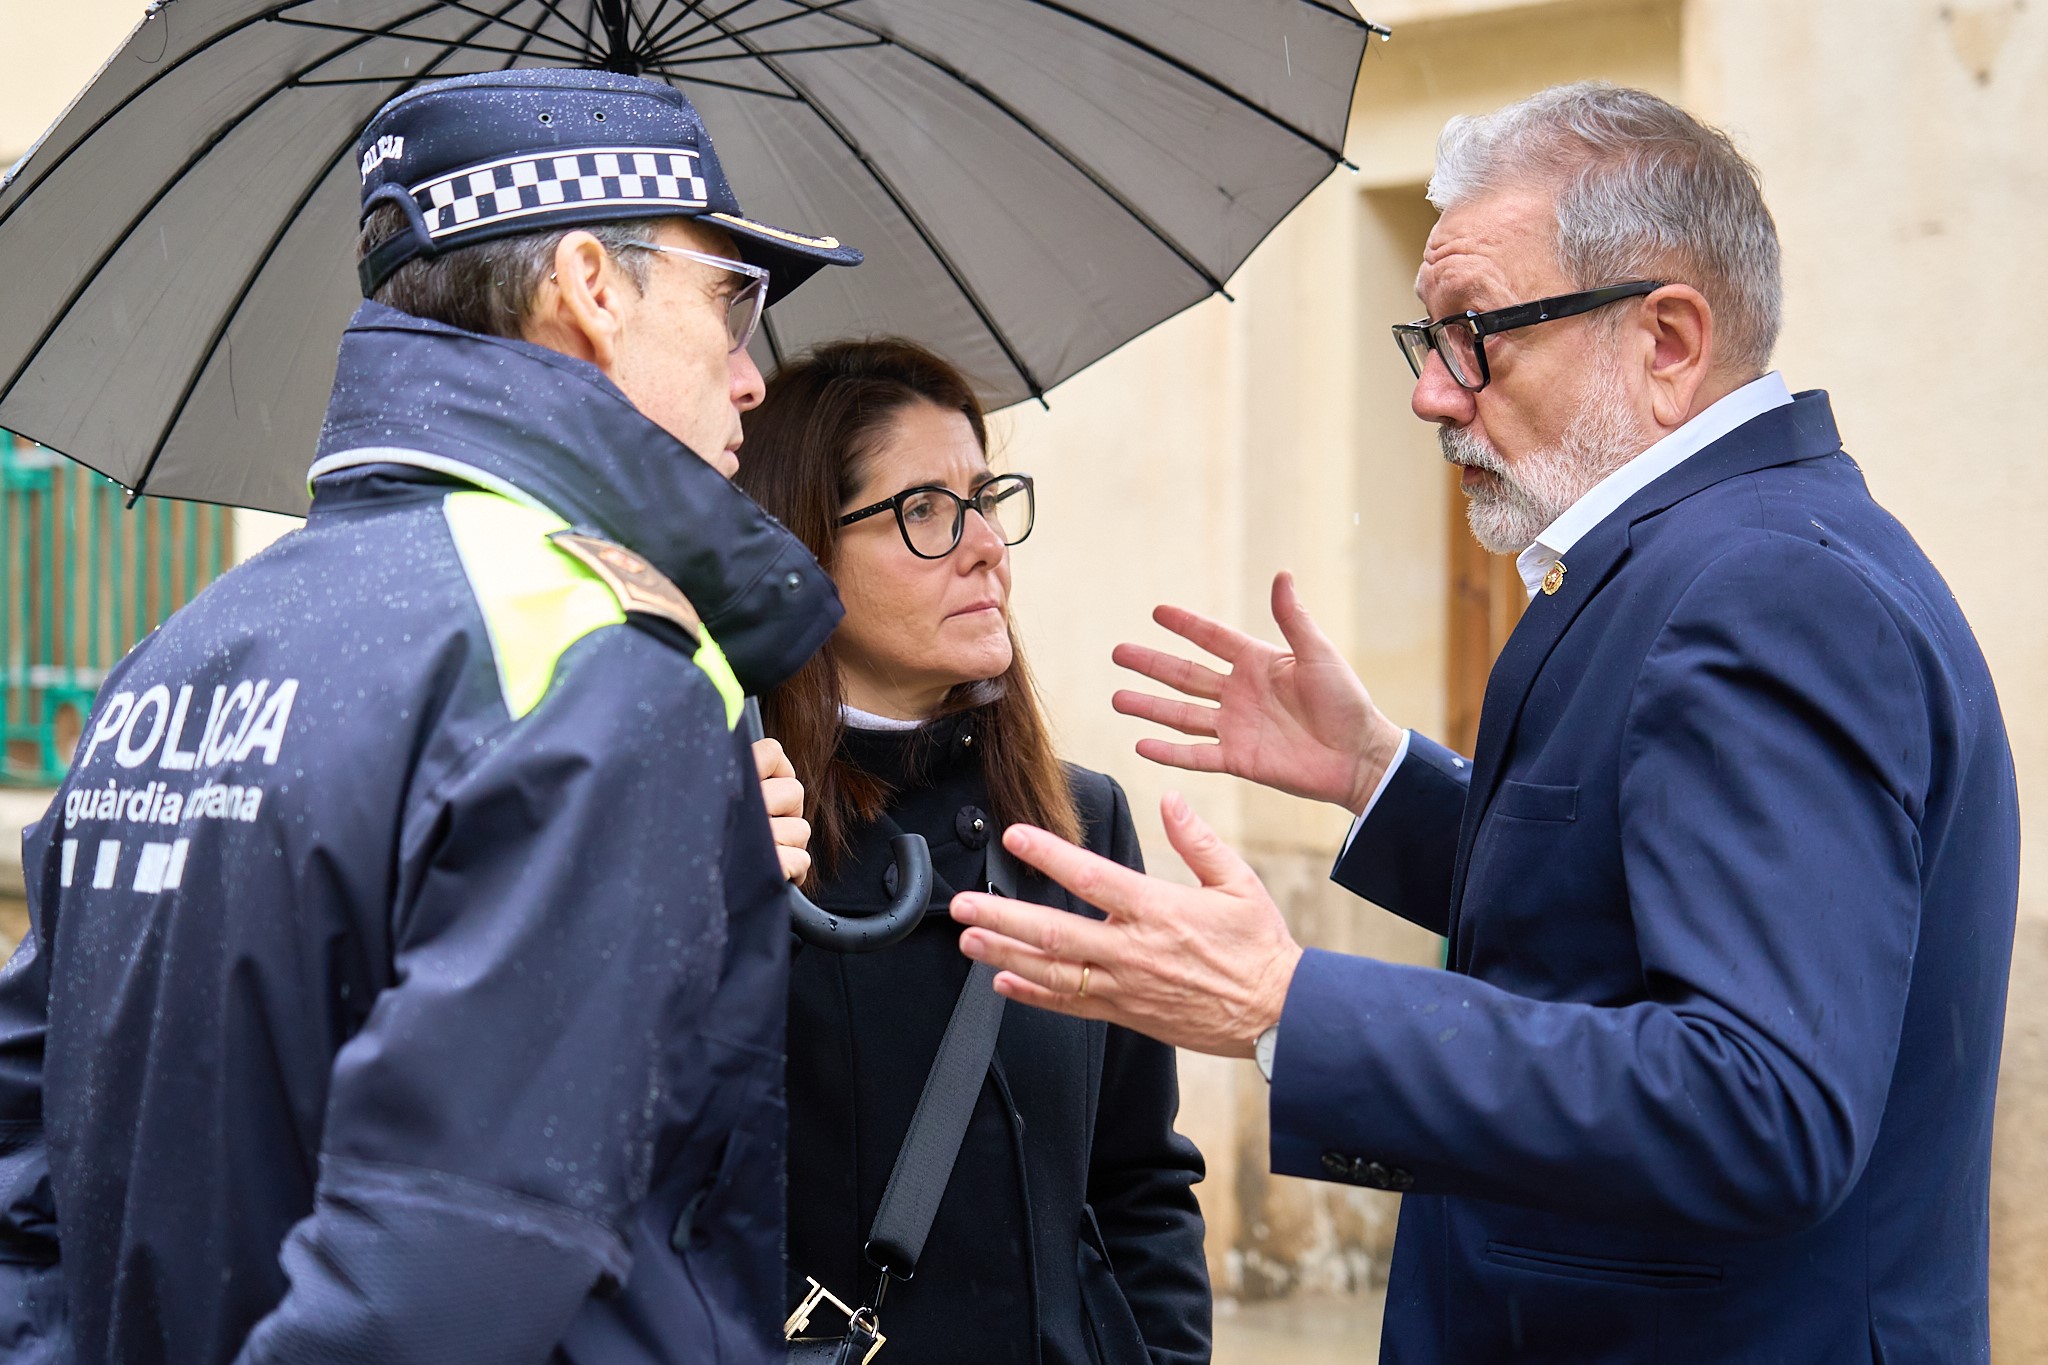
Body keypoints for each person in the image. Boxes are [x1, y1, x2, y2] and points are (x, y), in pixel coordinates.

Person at [946, 82, 2021, 1363]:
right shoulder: (1716, 556)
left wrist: (1285, 1005)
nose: (1432, 397)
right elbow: (1619, 894)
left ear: (1666, 340)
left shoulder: (1762, 593)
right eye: (1427, 341)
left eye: (1474, 336)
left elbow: (1760, 1106)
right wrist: (1378, 779)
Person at [0, 69, 862, 1365]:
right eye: (731, 300)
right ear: (591, 284)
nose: (752, 378)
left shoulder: (182, 649)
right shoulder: (604, 661)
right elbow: (453, 1271)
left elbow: (29, 1184)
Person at [734, 339, 1210, 1365]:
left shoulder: (1077, 826)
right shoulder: (732, 831)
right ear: (801, 554)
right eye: (924, 511)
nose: (985, 544)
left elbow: (1138, 1179)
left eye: (983, 497)